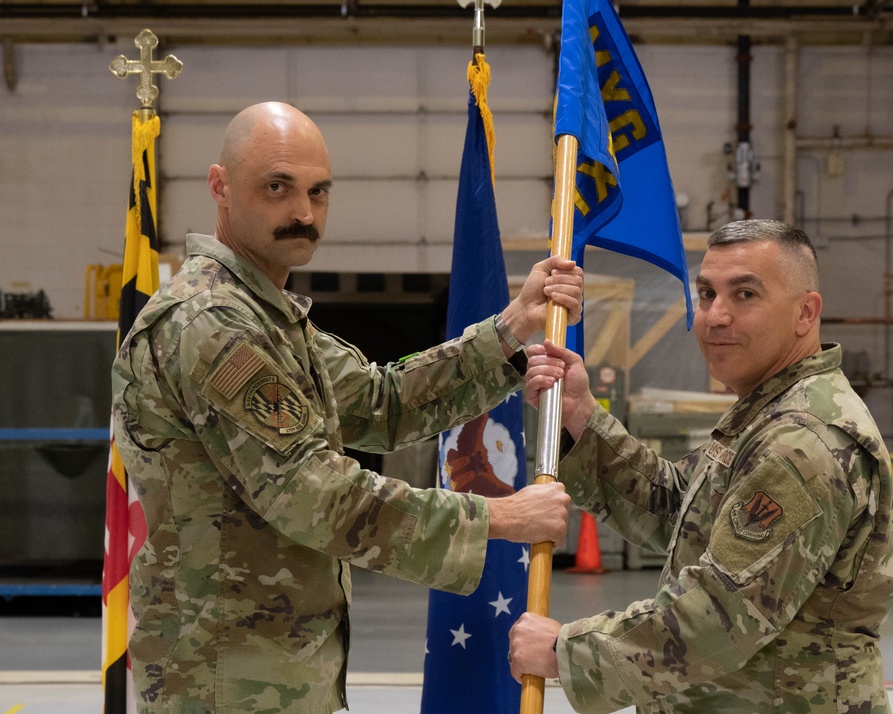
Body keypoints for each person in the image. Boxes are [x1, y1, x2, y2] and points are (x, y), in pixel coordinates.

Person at [111, 101, 582, 714]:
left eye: (317, 192)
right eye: (277, 188)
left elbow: (381, 404)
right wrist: (499, 517)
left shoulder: (267, 318)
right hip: (223, 682)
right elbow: (315, 495)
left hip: (270, 672)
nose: (302, 213)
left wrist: (511, 328)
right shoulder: (214, 323)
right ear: (220, 187)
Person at [508, 219, 893, 714]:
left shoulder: (802, 441)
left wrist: (563, 651)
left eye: (745, 295)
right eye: (707, 293)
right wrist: (580, 415)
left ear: (806, 312)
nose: (716, 316)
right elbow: (679, 510)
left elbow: (718, 619)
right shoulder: (769, 410)